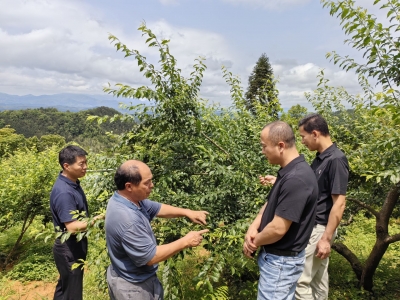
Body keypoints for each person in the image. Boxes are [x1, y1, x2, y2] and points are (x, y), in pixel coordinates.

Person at [105, 160, 209, 300]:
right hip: (133, 288)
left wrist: (188, 212)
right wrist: (186, 241)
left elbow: (157, 208)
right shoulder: (128, 219)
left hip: (133, 277)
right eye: (147, 183)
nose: (152, 186)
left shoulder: (128, 199)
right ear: (129, 186)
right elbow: (150, 257)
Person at [243, 121, 318, 300]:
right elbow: (271, 203)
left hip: (281, 264)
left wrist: (254, 242)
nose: (262, 152)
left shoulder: (296, 179)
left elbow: (278, 229)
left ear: (281, 146)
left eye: (264, 146)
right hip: (279, 261)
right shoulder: (288, 171)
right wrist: (253, 227)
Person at [294, 114, 349, 300]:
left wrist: (325, 238)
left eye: (303, 136)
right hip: (317, 228)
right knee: (318, 280)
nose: (302, 141)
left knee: (299, 281)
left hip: (320, 228)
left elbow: (339, 203)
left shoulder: (335, 160)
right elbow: (309, 187)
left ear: (315, 134)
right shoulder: (320, 159)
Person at [50, 145, 101, 300]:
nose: (85, 167)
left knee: (65, 288)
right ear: (66, 166)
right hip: (69, 249)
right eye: (81, 164)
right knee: (72, 293)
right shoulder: (64, 192)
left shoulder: (72, 182)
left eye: (85, 162)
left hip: (73, 246)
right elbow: (72, 227)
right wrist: (97, 220)